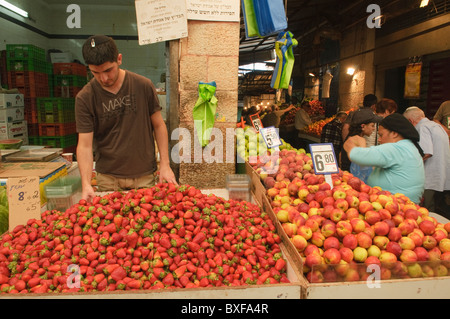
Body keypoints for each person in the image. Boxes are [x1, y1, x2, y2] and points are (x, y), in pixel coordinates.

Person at [75, 35, 177, 202]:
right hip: (109, 180)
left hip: (144, 177)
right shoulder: (85, 98)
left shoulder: (143, 85)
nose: (104, 78)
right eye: (95, 73)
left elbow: (159, 126)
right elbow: (85, 145)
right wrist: (86, 183)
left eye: (108, 70)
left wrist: (165, 165)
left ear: (119, 59)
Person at [343, 113, 425, 204]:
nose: (379, 140)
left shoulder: (397, 149)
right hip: (399, 204)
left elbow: (358, 156)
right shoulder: (408, 147)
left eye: (381, 135)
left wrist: (354, 144)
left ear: (394, 134)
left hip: (397, 205)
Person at [404, 106, 450, 214]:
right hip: (441, 175)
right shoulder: (436, 126)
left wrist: (408, 164)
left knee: (425, 209)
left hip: (430, 176)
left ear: (411, 121)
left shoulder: (422, 127)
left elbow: (426, 152)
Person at [340, 108, 382, 178]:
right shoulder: (359, 140)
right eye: (372, 125)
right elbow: (364, 164)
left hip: (346, 178)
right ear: (363, 126)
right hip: (353, 179)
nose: (374, 128)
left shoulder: (349, 138)